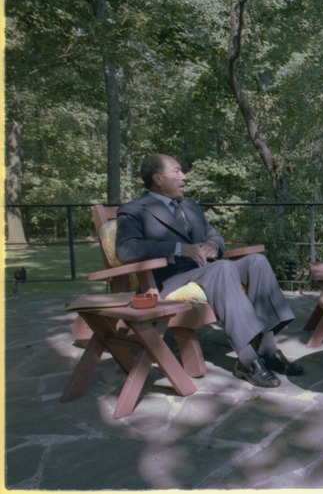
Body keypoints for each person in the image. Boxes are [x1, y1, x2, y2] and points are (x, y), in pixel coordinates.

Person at [116, 153, 304, 388]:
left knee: (256, 261)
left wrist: (214, 245)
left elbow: (214, 235)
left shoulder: (190, 206)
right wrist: (179, 248)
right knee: (222, 269)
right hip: (171, 279)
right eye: (176, 171)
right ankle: (247, 361)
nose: (184, 177)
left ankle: (267, 349)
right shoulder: (134, 210)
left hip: (208, 270)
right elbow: (126, 250)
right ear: (157, 178)